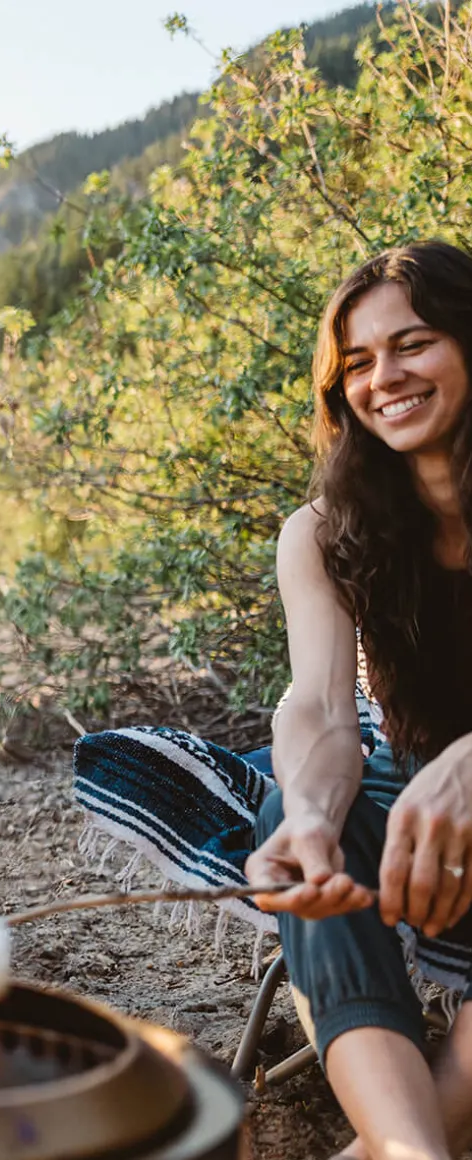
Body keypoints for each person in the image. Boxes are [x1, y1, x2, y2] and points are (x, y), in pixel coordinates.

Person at [246, 241, 472, 1160]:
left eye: (413, 344)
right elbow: (324, 712)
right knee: (306, 834)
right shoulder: (324, 534)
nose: (385, 378)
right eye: (358, 362)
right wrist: (307, 812)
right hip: (410, 796)